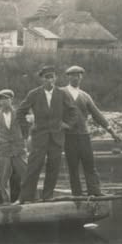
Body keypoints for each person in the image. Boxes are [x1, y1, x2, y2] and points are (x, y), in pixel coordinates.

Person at [15, 65, 79, 203]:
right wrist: (27, 129)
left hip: (57, 137)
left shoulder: (62, 94)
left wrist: (67, 125)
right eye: (46, 77)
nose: (50, 80)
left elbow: (73, 111)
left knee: (53, 167)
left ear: (55, 78)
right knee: (33, 167)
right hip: (39, 137)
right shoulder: (34, 94)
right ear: (42, 79)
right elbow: (20, 112)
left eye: (52, 77)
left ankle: (47, 196)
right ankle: (25, 197)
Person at [63, 65, 122, 197]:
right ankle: (77, 195)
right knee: (73, 167)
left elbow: (97, 115)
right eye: (73, 75)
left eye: (78, 75)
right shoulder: (61, 93)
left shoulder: (85, 96)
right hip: (68, 136)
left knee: (89, 165)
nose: (76, 78)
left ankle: (95, 191)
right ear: (68, 77)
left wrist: (112, 132)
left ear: (81, 77)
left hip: (84, 135)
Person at [0, 89, 28, 203]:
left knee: (25, 174)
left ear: (11, 99)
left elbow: (26, 130)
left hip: (18, 149)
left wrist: (22, 142)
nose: (4, 102)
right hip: (3, 149)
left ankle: (24, 198)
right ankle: (5, 201)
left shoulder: (19, 113)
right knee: (3, 177)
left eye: (6, 99)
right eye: (1, 99)